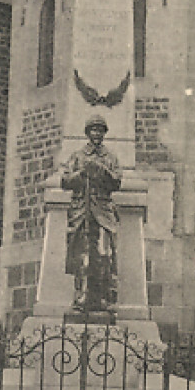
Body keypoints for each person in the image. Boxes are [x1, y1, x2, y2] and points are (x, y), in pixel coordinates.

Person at [61, 115, 122, 314]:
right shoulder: (78, 156)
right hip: (82, 209)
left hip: (103, 210)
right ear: (88, 133)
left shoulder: (110, 157)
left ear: (104, 133)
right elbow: (65, 180)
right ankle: (82, 295)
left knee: (105, 254)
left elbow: (117, 181)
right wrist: (82, 174)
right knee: (82, 254)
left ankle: (104, 297)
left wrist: (101, 171)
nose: (96, 134)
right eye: (93, 130)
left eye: (100, 130)